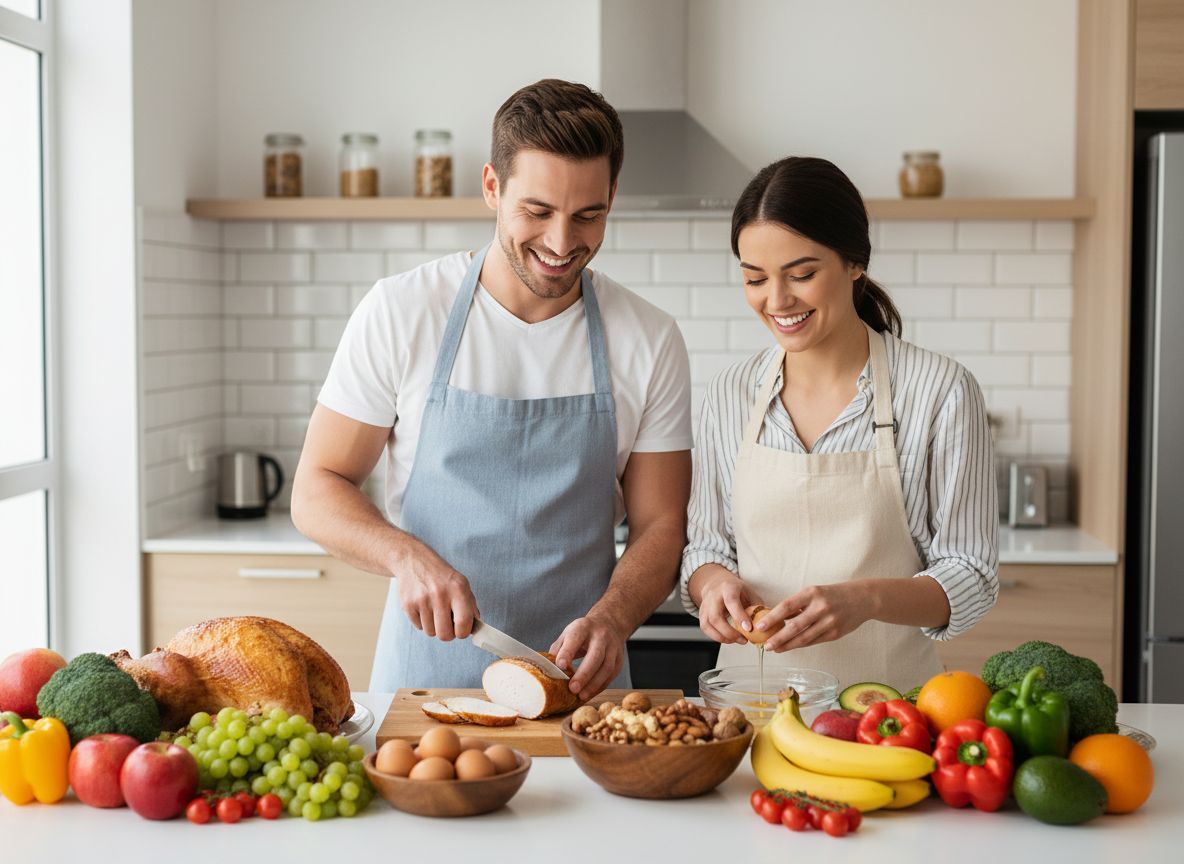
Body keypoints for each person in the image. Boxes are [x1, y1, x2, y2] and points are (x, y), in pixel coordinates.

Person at [292, 79, 692, 698]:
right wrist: (406, 558)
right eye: (537, 211)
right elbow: (316, 489)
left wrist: (614, 618)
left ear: (612, 196)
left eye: (588, 215)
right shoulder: (403, 311)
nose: (562, 243)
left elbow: (662, 525)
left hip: (580, 689)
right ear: (491, 187)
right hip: (426, 687)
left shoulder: (648, 338)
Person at [680, 156, 998, 688]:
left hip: (887, 717)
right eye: (755, 278)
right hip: (748, 710)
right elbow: (706, 548)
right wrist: (712, 586)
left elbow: (971, 573)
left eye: (802, 274)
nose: (777, 300)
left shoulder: (939, 391)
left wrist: (865, 599)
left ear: (855, 262)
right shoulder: (731, 393)